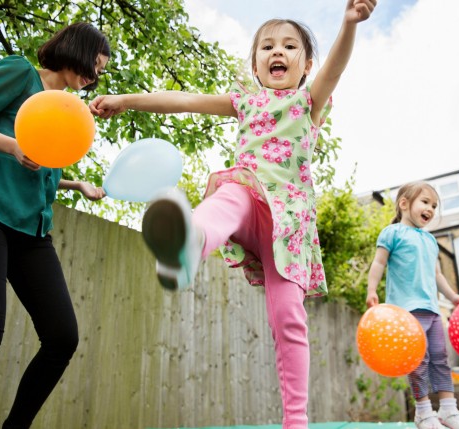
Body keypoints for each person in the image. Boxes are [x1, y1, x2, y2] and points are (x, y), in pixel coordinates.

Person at [89, 1, 375, 427]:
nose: (277, 52)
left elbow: (335, 68)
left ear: (306, 63)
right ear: (256, 65)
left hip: (289, 225)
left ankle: (296, 421)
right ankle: (187, 245)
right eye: (267, 47)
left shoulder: (307, 102)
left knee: (289, 320)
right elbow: (184, 100)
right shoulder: (244, 102)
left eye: (290, 46)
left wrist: (348, 24)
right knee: (227, 200)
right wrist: (128, 99)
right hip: (249, 194)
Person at [0, 22, 110, 429]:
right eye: (95, 64)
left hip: (32, 232)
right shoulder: (21, 73)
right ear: (77, 48)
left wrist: (74, 182)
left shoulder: (62, 109)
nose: (95, 76)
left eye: (100, 74)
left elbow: (36, 165)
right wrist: (11, 144)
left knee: (62, 337)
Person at [365, 181, 459, 429]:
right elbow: (379, 264)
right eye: (425, 202)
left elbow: (437, 275)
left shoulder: (430, 240)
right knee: (418, 362)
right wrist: (372, 290)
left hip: (433, 310)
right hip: (405, 313)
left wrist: (453, 297)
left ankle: (448, 410)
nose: (431, 209)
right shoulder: (391, 233)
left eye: (434, 205)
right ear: (404, 204)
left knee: (440, 358)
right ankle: (424, 411)